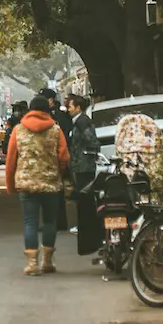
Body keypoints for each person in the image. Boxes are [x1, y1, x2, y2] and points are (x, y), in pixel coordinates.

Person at [5, 95, 70, 276]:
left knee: (30, 222)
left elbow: (10, 160)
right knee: (50, 222)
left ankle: (32, 263)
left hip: (26, 183)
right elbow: (64, 157)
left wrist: (10, 184)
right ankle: (47, 261)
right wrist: (58, 172)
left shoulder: (18, 130)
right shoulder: (56, 130)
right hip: (50, 182)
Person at [66, 94, 101, 248]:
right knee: (82, 197)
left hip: (84, 167)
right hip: (80, 165)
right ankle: (84, 227)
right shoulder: (79, 122)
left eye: (70, 106)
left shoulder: (82, 122)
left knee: (85, 197)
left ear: (78, 107)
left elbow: (92, 141)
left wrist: (88, 155)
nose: (68, 109)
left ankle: (87, 228)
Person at [40, 88, 73, 231]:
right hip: (49, 159)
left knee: (55, 193)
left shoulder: (58, 116)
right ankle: (54, 222)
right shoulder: (45, 115)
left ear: (50, 100)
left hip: (55, 158)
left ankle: (57, 223)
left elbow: (64, 138)